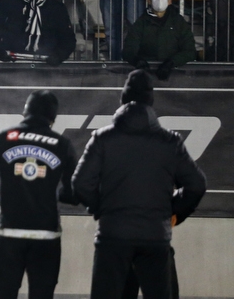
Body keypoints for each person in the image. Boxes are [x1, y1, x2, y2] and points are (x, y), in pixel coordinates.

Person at [72, 70, 207, 299]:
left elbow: (81, 183)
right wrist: (172, 212)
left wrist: (101, 209)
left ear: (123, 99)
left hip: (113, 236)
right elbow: (197, 185)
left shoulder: (103, 138)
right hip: (155, 236)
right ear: (151, 103)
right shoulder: (170, 141)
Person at [0, 90, 79, 299]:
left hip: (8, 234)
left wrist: (4, 191)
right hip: (46, 236)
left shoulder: (2, 137)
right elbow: (72, 193)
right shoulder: (62, 144)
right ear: (53, 118)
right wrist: (58, 194)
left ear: (25, 111)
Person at [123, 0, 196, 81]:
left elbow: (189, 51)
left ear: (169, 1)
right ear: (149, 0)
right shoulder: (141, 23)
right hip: (146, 77)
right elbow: (128, 50)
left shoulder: (179, 22)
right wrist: (137, 61)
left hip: (176, 75)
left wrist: (171, 63)